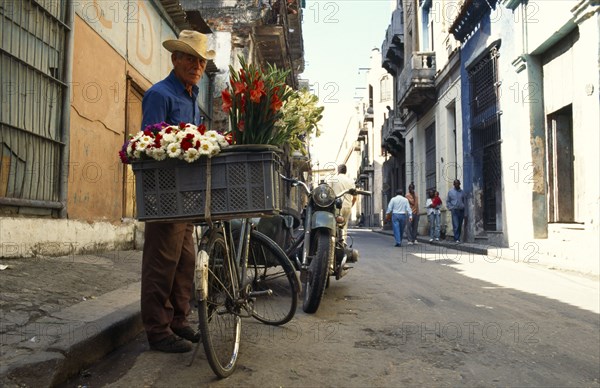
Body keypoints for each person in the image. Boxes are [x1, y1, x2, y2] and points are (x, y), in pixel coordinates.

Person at [140, 30, 215, 353]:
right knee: (162, 263)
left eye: (200, 61)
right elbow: (149, 144)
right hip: (166, 195)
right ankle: (157, 332)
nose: (197, 66)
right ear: (175, 59)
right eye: (190, 59)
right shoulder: (161, 95)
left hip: (187, 196)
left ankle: (178, 320)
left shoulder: (190, 97)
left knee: (185, 262)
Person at [328, 164, 356, 243]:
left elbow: (329, 192)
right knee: (344, 227)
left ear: (338, 170)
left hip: (335, 206)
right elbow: (355, 197)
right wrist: (351, 205)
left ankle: (332, 243)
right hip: (347, 206)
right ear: (345, 171)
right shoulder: (351, 181)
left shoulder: (333, 179)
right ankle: (343, 244)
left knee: (333, 225)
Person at [446, 179, 465, 243]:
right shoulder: (450, 192)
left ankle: (458, 237)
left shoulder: (462, 192)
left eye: (458, 183)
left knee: (459, 225)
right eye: (455, 184)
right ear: (454, 184)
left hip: (461, 210)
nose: (457, 185)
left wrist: (464, 207)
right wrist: (450, 207)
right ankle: (456, 238)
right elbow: (448, 201)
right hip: (454, 210)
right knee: (456, 225)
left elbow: (464, 200)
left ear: (460, 184)